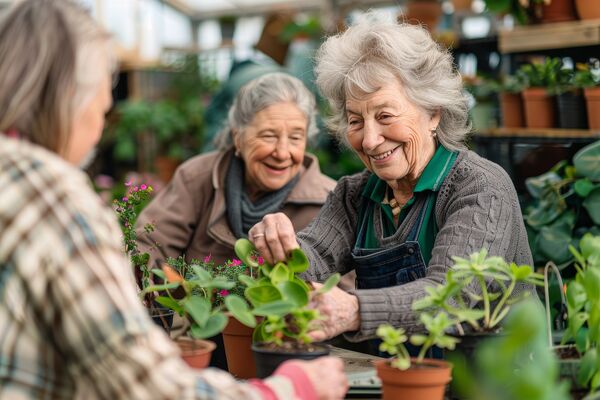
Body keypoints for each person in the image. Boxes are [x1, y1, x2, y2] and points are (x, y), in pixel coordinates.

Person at [0, 1, 347, 399]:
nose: (103, 118)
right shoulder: (56, 198)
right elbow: (144, 384)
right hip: (199, 348)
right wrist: (288, 390)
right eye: (102, 99)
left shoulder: (330, 198)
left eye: (295, 137)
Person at [248, 13, 535, 347]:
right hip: (395, 377)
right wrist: (282, 247)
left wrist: (355, 310)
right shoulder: (355, 195)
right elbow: (313, 259)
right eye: (356, 121)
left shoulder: (480, 187)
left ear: (433, 113)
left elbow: (452, 294)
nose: (369, 140)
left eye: (385, 116)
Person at [136, 72, 336, 269]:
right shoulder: (196, 178)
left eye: (295, 138)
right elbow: (148, 249)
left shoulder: (330, 203)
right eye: (268, 136)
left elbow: (341, 291)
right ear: (238, 139)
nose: (282, 153)